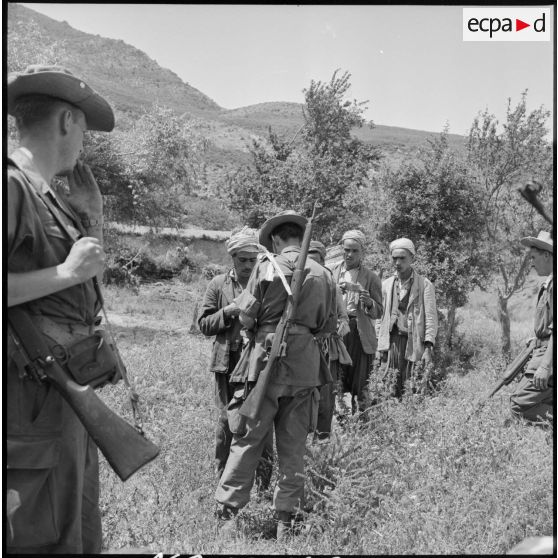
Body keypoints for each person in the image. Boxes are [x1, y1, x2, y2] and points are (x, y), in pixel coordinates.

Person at [7, 65, 115, 553]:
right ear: (67, 121)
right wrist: (66, 273)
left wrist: (91, 218)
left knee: (74, 530)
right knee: (39, 536)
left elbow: (83, 288)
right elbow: (70, 276)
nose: (82, 145)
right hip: (26, 404)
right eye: (84, 131)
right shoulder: (11, 187)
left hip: (60, 395)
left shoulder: (50, 196)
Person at [214, 211, 336, 541]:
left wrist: (260, 327)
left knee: (247, 440)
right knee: (294, 447)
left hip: (263, 365)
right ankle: (286, 521)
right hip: (304, 366)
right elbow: (327, 326)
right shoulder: (324, 273)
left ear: (278, 239)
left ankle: (227, 517)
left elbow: (246, 315)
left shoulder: (266, 266)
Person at [198, 226, 273, 487]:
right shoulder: (218, 285)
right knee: (225, 423)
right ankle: (223, 482)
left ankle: (263, 486)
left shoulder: (266, 284)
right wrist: (229, 311)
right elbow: (204, 324)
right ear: (232, 258)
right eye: (243, 260)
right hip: (226, 363)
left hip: (256, 364)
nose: (248, 265)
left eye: (253, 260)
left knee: (259, 423)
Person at [376, 238, 438, 398]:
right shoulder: (386, 284)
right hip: (391, 343)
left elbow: (430, 317)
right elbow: (380, 317)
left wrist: (428, 347)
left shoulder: (424, 284)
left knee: (412, 389)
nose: (398, 262)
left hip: (414, 343)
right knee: (387, 388)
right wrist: (378, 344)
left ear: (412, 258)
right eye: (394, 258)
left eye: (402, 258)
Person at [329, 230, 383, 414]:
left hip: (359, 332)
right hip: (336, 330)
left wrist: (369, 303)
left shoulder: (371, 277)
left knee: (360, 378)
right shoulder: (332, 272)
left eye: (354, 251)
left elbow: (379, 311)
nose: (349, 254)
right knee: (336, 375)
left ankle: (361, 417)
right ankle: (338, 416)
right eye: (346, 250)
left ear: (362, 253)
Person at [307, 240, 351, 440]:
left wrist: (337, 328)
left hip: (326, 352)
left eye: (316, 261)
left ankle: (322, 444)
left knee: (325, 400)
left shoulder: (333, 287)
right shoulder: (298, 285)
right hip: (302, 350)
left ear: (323, 262)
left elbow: (344, 320)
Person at [510, 230, 553, 424]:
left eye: (534, 257)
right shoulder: (549, 282)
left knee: (519, 406)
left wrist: (545, 366)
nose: (532, 263)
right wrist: (538, 338)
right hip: (544, 349)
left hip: (549, 355)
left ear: (547, 256)